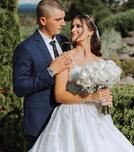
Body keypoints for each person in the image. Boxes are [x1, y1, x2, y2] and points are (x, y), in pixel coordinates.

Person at [29, 14, 134, 152]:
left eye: (79, 26)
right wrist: (91, 97)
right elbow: (59, 95)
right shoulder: (65, 58)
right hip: (70, 117)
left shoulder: (100, 61)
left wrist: (106, 98)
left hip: (97, 117)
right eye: (73, 26)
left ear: (91, 31)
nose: (73, 30)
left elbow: (102, 91)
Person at [13, 0, 72, 150]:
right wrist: (51, 71)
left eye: (63, 18)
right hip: (40, 122)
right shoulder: (25, 48)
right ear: (43, 20)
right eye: (58, 19)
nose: (64, 23)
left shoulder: (64, 41)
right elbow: (19, 88)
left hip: (67, 119)